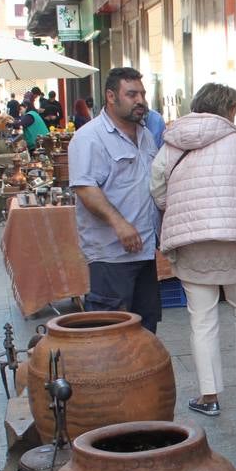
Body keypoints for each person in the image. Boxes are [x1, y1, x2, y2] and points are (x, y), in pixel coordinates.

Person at [151, 83, 236, 416]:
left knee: (202, 318)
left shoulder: (171, 145)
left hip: (190, 242)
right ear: (228, 109)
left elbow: (159, 194)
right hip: (235, 239)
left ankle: (209, 396)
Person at [68, 67, 161, 332]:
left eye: (142, 94)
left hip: (144, 249)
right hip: (111, 254)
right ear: (111, 96)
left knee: (145, 330)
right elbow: (86, 188)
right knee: (111, 331)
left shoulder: (144, 135)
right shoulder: (89, 137)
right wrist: (119, 224)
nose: (140, 100)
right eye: (131, 94)